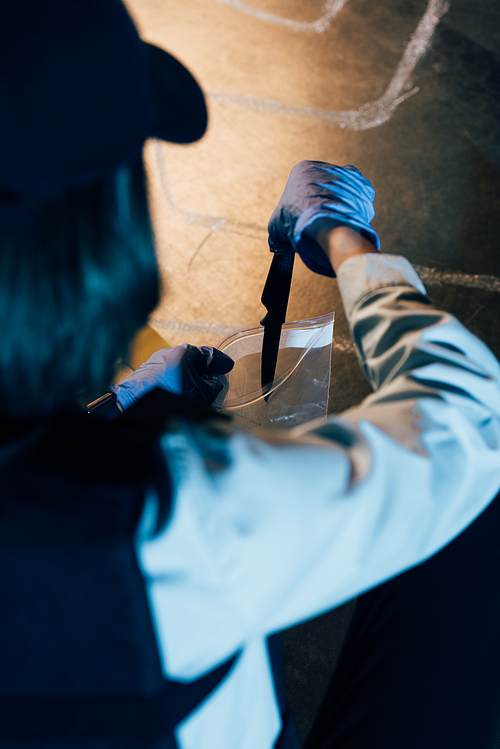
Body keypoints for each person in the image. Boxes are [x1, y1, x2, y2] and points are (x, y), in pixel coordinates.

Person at [1, 2, 500, 749]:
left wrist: (124, 400)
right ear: (97, 236)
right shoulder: (173, 516)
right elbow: (471, 413)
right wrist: (344, 235)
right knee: (469, 517)